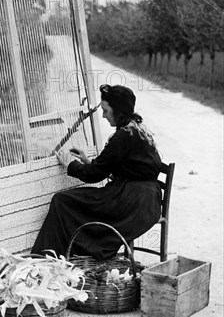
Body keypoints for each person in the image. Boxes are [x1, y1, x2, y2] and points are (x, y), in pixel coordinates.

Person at [30, 84, 163, 260]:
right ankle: (59, 257)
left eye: (107, 111)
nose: (103, 115)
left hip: (131, 203)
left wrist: (70, 164)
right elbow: (128, 167)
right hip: (147, 201)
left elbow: (93, 175)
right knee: (74, 202)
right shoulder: (137, 129)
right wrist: (88, 161)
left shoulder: (123, 136)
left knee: (62, 201)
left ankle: (46, 258)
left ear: (119, 111)